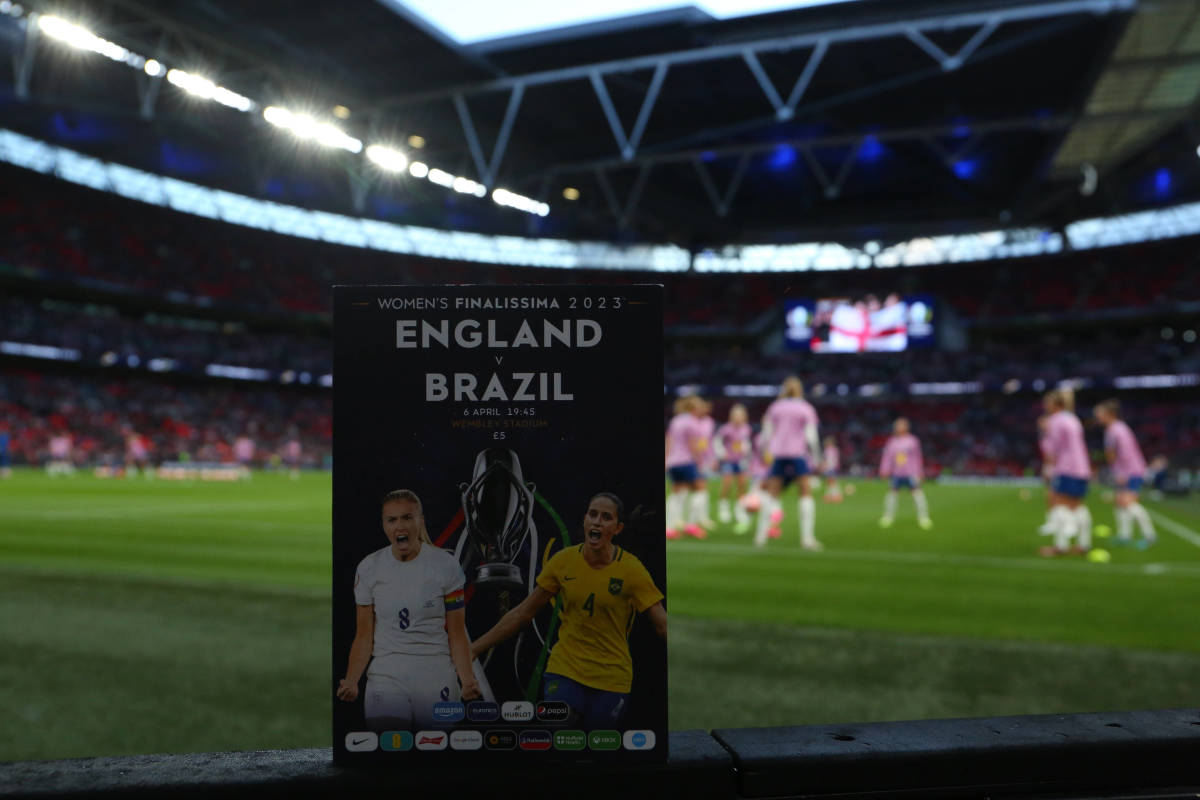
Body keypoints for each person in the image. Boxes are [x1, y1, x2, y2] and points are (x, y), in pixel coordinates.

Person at [470, 492, 667, 729]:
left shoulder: (632, 570)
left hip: (612, 678)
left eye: (606, 517)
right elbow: (523, 613)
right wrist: (473, 649)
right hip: (565, 671)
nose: (596, 521)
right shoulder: (563, 561)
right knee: (560, 729)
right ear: (584, 520)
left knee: (598, 745)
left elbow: (662, 624)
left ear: (617, 528)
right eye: (592, 514)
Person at [337, 489, 481, 730]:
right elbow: (364, 635)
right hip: (387, 674)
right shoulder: (369, 568)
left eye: (407, 518)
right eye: (392, 520)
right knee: (390, 749)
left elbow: (456, 634)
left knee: (435, 753)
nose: (399, 526)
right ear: (383, 525)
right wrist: (352, 680)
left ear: (420, 521)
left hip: (436, 673)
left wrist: (467, 680)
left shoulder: (445, 565)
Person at [755, 376, 822, 551]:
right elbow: (811, 437)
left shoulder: (775, 407)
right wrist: (816, 458)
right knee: (805, 494)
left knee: (772, 494)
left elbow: (766, 435)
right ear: (800, 390)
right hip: (797, 454)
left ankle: (761, 536)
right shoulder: (805, 408)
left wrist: (763, 453)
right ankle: (807, 539)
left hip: (779, 455)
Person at [1038, 388, 1092, 557]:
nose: (1044, 405)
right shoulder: (1072, 419)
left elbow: (1052, 449)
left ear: (1055, 404)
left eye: (1047, 402)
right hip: (1082, 467)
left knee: (1058, 503)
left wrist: (1047, 469)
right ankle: (1084, 545)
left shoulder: (1055, 421)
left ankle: (1060, 547)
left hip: (1067, 468)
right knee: (1077, 506)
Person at [1095, 400, 1156, 548]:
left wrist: (1123, 473)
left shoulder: (1117, 430)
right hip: (1127, 470)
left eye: (1099, 413)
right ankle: (1124, 535)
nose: (1097, 416)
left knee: (1129, 503)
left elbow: (1125, 453)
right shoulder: (1115, 429)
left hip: (1130, 471)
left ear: (1110, 414)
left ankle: (1149, 536)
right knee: (1120, 502)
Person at [664, 396, 709, 540]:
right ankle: (691, 524)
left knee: (676, 493)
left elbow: (668, 441)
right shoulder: (692, 422)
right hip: (686, 461)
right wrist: (700, 462)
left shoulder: (675, 420)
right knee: (701, 490)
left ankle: (669, 528)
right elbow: (693, 445)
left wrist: (666, 460)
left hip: (673, 462)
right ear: (694, 409)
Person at [878, 418, 932, 529]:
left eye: (900, 425)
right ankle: (888, 516)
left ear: (906, 427)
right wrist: (884, 469)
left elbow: (918, 457)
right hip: (896, 473)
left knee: (917, 494)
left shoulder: (913, 441)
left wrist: (920, 472)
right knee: (892, 495)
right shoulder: (892, 441)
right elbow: (887, 457)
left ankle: (923, 517)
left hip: (911, 473)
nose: (898, 428)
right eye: (897, 425)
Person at [713, 404, 754, 533]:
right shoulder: (726, 429)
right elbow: (717, 441)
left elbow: (747, 442)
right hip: (729, 460)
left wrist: (747, 453)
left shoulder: (746, 428)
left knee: (742, 485)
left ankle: (739, 509)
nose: (738, 418)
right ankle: (723, 509)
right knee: (727, 483)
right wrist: (721, 453)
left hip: (740, 461)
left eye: (740, 416)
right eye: (736, 416)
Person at [821, 436, 843, 503]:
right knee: (831, 482)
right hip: (833, 467)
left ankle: (834, 495)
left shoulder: (828, 450)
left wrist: (824, 466)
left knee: (831, 482)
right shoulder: (835, 450)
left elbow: (827, 460)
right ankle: (833, 495)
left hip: (830, 467)